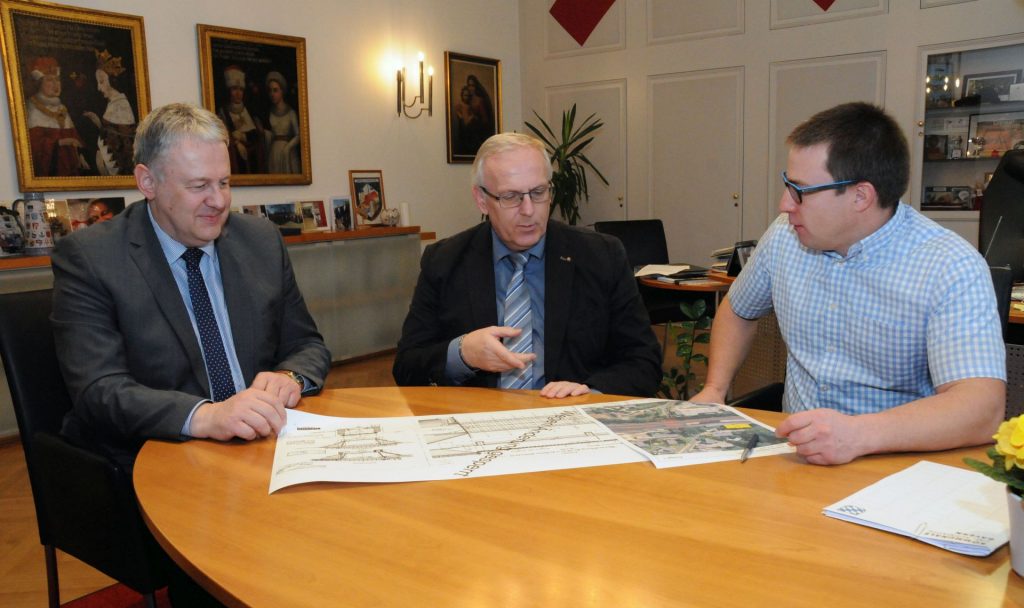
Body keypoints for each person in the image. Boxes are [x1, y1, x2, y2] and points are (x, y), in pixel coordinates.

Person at [51, 102, 330, 608]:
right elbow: (98, 391)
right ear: (146, 182)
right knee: (224, 526)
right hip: (157, 455)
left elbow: (308, 345)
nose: (219, 201)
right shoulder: (92, 258)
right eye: (200, 185)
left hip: (261, 438)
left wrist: (291, 377)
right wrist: (206, 416)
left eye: (225, 182)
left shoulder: (258, 241)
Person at [689, 102, 1006, 465]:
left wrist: (858, 435)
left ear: (860, 196)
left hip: (895, 465)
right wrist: (715, 388)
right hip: (796, 458)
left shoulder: (949, 265)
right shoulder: (785, 236)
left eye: (800, 191)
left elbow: (981, 407)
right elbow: (738, 310)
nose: (784, 205)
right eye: (786, 185)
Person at [393, 132, 661, 398]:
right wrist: (463, 353)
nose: (529, 210)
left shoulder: (601, 256)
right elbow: (407, 367)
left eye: (538, 192)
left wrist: (592, 392)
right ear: (481, 200)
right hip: (479, 423)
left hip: (574, 423)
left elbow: (643, 360)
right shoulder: (444, 261)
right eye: (510, 197)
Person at [24, 56, 90, 176]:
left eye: (58, 79)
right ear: (39, 83)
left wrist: (80, 155)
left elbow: (76, 140)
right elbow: (33, 149)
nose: (56, 84)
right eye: (49, 80)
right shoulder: (31, 109)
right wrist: (61, 142)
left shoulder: (61, 108)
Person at [82, 49, 136, 175]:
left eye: (101, 82)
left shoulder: (120, 104)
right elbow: (112, 132)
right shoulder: (113, 103)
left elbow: (120, 143)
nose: (98, 88)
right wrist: (98, 123)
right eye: (97, 82)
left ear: (112, 80)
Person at [217, 65, 265, 174]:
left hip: (254, 161)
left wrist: (244, 136)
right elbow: (222, 137)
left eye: (241, 89)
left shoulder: (251, 112)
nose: (238, 93)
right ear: (229, 91)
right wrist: (236, 143)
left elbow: (259, 135)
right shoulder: (223, 112)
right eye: (234, 89)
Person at [263, 71, 301, 174]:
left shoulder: (291, 112)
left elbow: (298, 135)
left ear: (282, 91)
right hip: (274, 153)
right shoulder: (270, 112)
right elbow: (270, 135)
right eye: (270, 91)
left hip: (288, 153)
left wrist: (288, 148)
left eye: (275, 90)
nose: (272, 94)